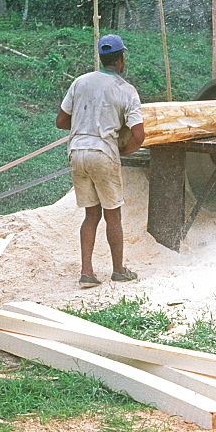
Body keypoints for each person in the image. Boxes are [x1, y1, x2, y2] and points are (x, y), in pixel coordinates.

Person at [56, 34, 145, 288]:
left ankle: (87, 273)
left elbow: (61, 122)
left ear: (101, 57)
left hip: (76, 153)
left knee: (90, 215)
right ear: (121, 59)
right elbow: (139, 135)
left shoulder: (80, 82)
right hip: (103, 153)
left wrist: (85, 125)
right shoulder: (126, 90)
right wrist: (123, 151)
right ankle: (118, 270)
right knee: (113, 216)